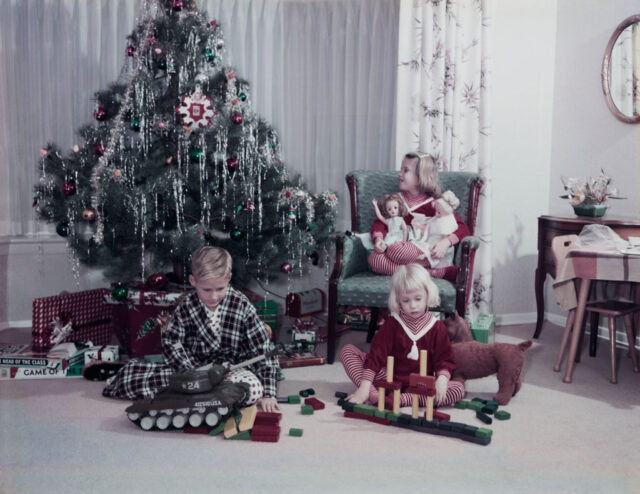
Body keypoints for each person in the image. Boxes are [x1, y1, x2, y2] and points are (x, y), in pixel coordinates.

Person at [103, 246, 280, 412]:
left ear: (228, 279)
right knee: (134, 379)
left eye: (220, 288)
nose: (213, 296)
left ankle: (204, 397)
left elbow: (263, 350)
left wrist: (269, 394)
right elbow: (173, 343)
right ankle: (206, 396)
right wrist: (191, 372)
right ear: (193, 281)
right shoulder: (187, 305)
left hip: (232, 372)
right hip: (194, 371)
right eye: (206, 289)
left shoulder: (242, 306)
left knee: (254, 389)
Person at [340, 264, 465, 408]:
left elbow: (444, 360)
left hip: (420, 382)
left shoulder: (437, 327)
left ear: (428, 294)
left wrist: (442, 379)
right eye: (406, 300)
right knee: (347, 351)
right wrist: (363, 388)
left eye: (418, 299)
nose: (413, 306)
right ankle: (372, 394)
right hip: (388, 378)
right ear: (398, 299)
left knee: (458, 389)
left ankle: (404, 399)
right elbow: (375, 356)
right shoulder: (392, 324)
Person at [368, 151, 470, 282]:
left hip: (421, 250)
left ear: (420, 177)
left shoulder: (435, 204)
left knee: (396, 250)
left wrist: (445, 243)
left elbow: (463, 228)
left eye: (406, 171)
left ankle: (425, 268)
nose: (399, 174)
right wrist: (378, 239)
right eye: (401, 169)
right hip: (397, 249)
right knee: (374, 259)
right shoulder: (394, 200)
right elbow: (380, 223)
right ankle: (433, 273)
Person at [412, 190, 460, 268]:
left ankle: (433, 268)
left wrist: (443, 244)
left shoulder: (446, 223)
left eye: (439, 212)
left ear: (447, 213)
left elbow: (445, 239)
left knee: (432, 255)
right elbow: (428, 228)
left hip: (438, 244)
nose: (436, 214)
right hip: (430, 240)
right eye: (436, 211)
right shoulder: (436, 218)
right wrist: (418, 224)